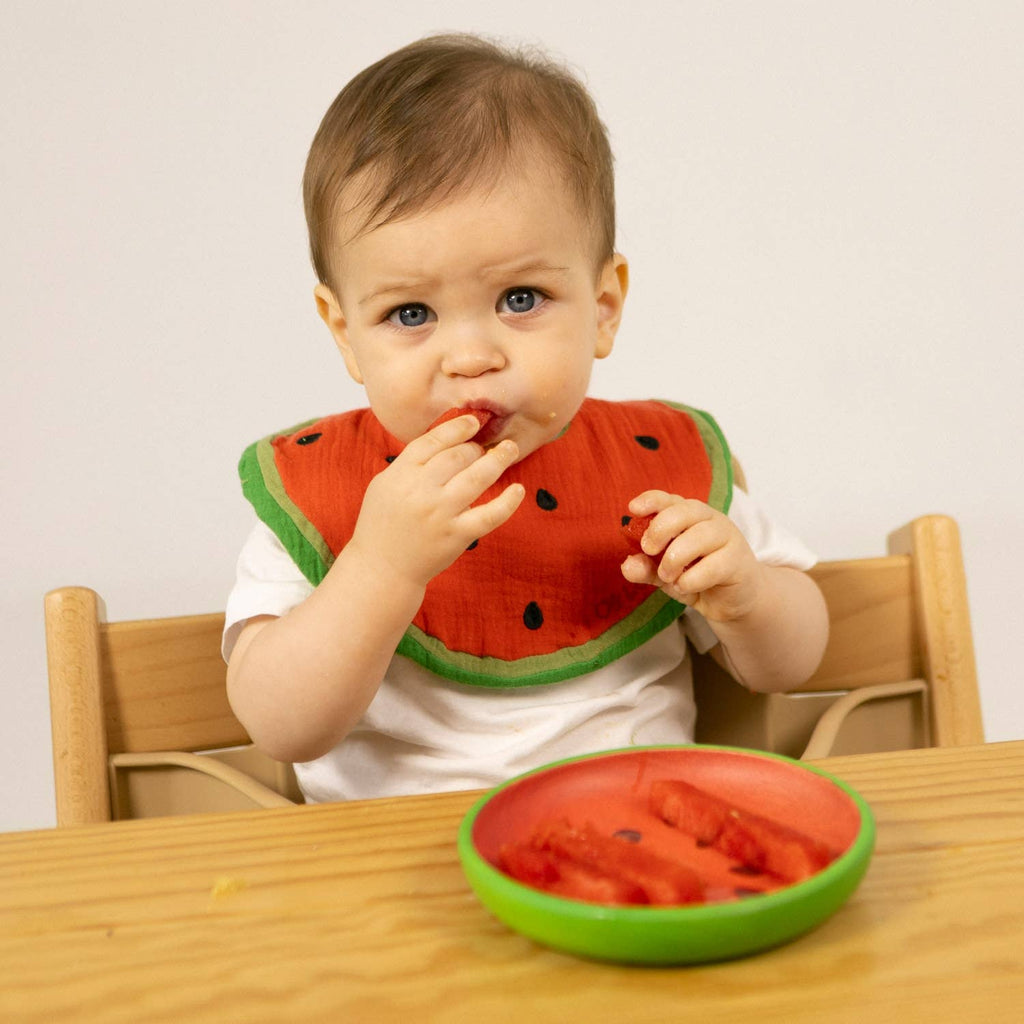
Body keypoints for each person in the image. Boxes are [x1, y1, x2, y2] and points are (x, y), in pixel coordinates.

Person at [223, 33, 829, 803]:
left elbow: (792, 662)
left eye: (520, 299)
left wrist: (749, 597)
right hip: (387, 874)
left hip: (632, 848)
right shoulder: (316, 491)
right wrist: (379, 568)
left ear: (604, 309)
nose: (471, 355)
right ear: (345, 334)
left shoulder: (662, 469)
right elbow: (281, 726)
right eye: (411, 312)